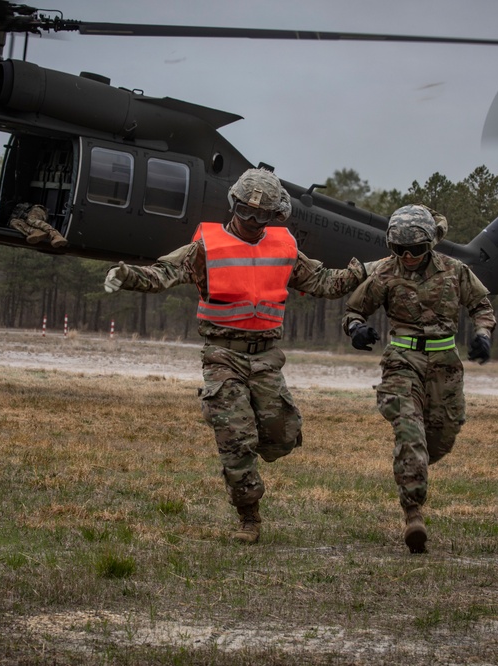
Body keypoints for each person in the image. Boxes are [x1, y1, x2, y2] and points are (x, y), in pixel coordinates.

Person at [103, 167, 368, 544]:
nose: (253, 222)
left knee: (281, 436)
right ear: (234, 206)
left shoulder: (284, 246)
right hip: (222, 356)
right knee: (236, 438)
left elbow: (324, 282)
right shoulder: (206, 247)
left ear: (276, 215)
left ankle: (265, 430)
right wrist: (127, 274)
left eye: (264, 216)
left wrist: (364, 271)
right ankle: (249, 516)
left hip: (266, 358)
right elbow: (163, 273)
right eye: (247, 212)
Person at [342, 204, 495, 554]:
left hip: (444, 363)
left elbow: (482, 307)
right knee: (409, 432)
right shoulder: (383, 274)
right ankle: (413, 514)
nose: (407, 257)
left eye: (415, 250)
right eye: (399, 250)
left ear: (430, 245)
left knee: (440, 437)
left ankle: (415, 467)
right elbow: (354, 309)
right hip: (402, 359)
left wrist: (483, 334)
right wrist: (357, 328)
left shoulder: (456, 271)